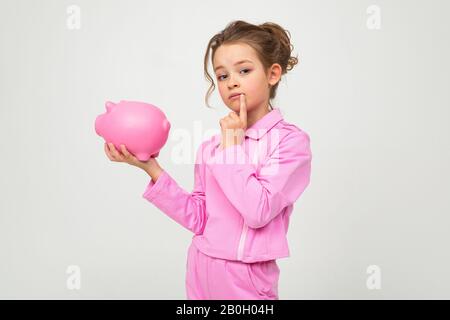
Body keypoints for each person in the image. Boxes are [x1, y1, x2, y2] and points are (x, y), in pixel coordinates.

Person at [104, 20, 312, 300]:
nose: (232, 81)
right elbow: (200, 217)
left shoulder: (291, 142)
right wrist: (150, 167)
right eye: (222, 76)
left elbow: (258, 211)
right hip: (201, 267)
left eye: (244, 70)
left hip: (246, 277)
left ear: (273, 74)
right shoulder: (211, 146)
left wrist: (231, 148)